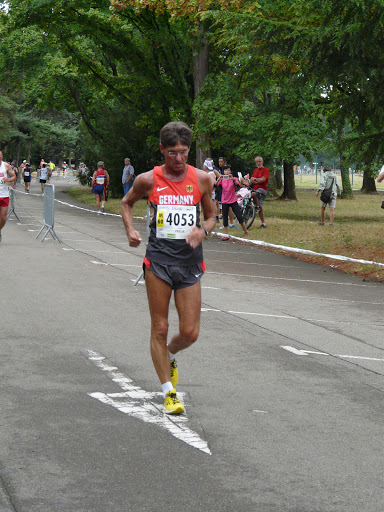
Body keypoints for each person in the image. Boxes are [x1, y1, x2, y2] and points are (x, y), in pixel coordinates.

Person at [121, 121, 215, 415]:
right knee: (160, 327)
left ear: (190, 151)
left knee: (190, 333)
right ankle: (168, 392)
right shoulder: (148, 179)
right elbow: (126, 203)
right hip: (158, 262)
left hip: (189, 263)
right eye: (172, 152)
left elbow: (212, 216)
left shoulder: (202, 180)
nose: (178, 158)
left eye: (183, 152)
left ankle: (171, 354)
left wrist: (203, 230)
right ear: (162, 150)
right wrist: (130, 231)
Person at [217, 164, 248, 241]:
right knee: (225, 218)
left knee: (239, 216)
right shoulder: (222, 179)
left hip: (233, 200)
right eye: (225, 170)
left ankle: (245, 231)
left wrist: (232, 179)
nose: (227, 172)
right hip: (224, 200)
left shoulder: (234, 178)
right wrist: (218, 179)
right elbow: (215, 185)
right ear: (223, 172)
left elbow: (238, 185)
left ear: (231, 171)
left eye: (228, 170)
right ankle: (226, 234)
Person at [0, 151, 17, 242]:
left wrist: (8, 179)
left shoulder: (6, 166)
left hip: (4, 195)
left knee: (3, 218)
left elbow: (14, 176)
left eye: (0, 156)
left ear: (2, 156)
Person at [249, 156, 269, 228]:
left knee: (253, 194)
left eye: (259, 161)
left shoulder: (266, 170)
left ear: (262, 162)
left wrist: (255, 179)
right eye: (257, 162)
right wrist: (256, 180)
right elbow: (251, 180)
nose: (258, 163)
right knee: (249, 194)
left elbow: (262, 180)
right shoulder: (255, 170)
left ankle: (256, 206)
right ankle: (263, 223)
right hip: (255, 189)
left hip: (262, 189)